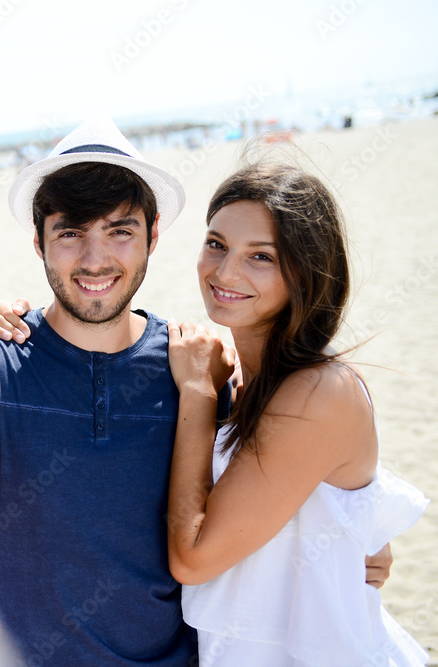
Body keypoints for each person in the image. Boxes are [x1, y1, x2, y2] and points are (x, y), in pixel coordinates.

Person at [0, 115, 216, 664]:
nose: (94, 259)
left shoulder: (194, 370)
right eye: (70, 233)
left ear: (153, 235)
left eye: (120, 230)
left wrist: (360, 540)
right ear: (38, 240)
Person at [165, 161, 429, 665]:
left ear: (305, 270)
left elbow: (192, 559)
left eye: (260, 256)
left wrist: (197, 394)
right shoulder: (243, 380)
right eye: (216, 243)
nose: (224, 272)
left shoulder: (317, 391)